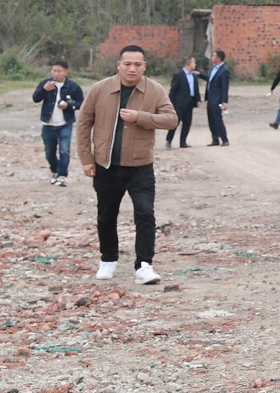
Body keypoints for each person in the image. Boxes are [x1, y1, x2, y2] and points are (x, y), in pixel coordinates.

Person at [76, 46, 178, 286]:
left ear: (145, 66)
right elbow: (83, 124)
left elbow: (171, 120)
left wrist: (140, 117)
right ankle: (108, 259)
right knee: (106, 215)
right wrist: (87, 159)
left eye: (138, 65)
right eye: (128, 64)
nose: (132, 69)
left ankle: (144, 265)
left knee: (145, 213)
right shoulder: (100, 89)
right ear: (118, 65)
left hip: (140, 166)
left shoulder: (154, 90)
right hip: (106, 165)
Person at [34, 60, 85, 184]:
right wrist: (44, 90)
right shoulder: (46, 84)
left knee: (64, 150)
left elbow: (81, 103)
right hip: (48, 124)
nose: (56, 74)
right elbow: (35, 98)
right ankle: (55, 170)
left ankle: (62, 175)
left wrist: (68, 105)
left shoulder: (73, 86)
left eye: (59, 71)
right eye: (54, 71)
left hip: (65, 124)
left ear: (66, 72)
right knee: (49, 152)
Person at [163, 57, 200, 150]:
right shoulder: (178, 75)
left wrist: (198, 100)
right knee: (175, 122)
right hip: (179, 103)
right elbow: (173, 90)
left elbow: (195, 89)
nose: (195, 65)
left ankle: (183, 141)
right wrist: (170, 103)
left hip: (190, 102)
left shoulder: (194, 76)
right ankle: (169, 140)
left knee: (187, 123)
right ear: (188, 64)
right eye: (194, 63)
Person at [204, 50, 231, 145]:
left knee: (218, 119)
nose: (212, 58)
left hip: (217, 99)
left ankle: (224, 139)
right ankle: (215, 139)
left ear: (218, 58)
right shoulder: (213, 68)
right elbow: (210, 79)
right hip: (210, 98)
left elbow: (225, 87)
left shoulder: (224, 70)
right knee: (211, 119)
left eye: (214, 56)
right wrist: (200, 75)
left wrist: (224, 101)